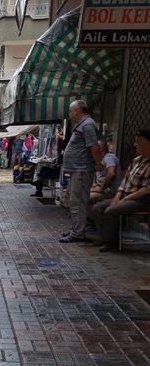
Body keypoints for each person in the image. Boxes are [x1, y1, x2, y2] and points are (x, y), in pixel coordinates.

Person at [89, 130, 150, 252]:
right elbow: (125, 182)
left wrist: (125, 198)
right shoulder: (137, 160)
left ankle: (111, 243)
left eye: (138, 142)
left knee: (111, 210)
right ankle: (104, 238)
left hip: (140, 199)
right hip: (125, 195)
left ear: (147, 143)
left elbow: (146, 189)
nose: (135, 145)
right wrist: (118, 196)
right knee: (97, 208)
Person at [59, 100, 102, 243]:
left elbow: (94, 146)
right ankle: (76, 229)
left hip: (82, 170)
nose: (69, 114)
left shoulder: (88, 125)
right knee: (74, 201)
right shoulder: (82, 125)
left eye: (71, 111)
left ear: (77, 111)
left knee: (78, 202)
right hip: (76, 170)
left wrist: (97, 164)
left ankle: (78, 233)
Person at [89, 140, 121, 207]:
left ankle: (87, 216)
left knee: (87, 197)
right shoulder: (98, 159)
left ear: (101, 150)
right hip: (101, 188)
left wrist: (101, 189)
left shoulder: (109, 157)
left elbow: (111, 174)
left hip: (110, 190)